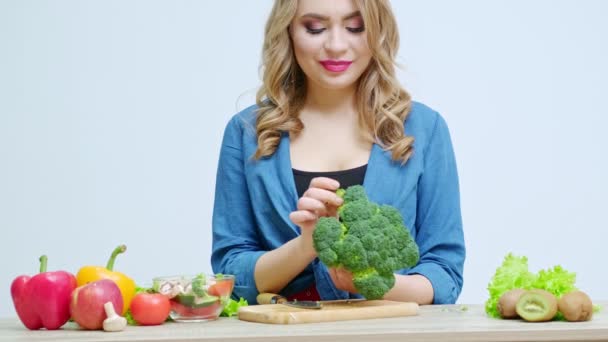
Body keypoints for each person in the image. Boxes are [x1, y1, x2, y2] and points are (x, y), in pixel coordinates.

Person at [211, 0, 465, 305]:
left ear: (378, 30)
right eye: (315, 28)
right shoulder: (246, 132)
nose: (336, 45)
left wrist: (372, 281)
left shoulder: (425, 129)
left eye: (355, 27)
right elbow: (230, 274)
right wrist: (306, 245)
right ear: (288, 31)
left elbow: (445, 275)